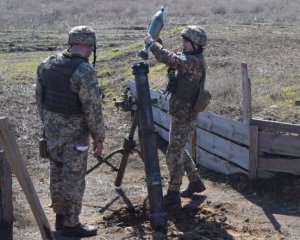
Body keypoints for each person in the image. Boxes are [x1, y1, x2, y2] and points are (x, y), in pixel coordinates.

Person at [35, 25, 104, 237]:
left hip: (52, 134)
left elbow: (39, 100)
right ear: (89, 45)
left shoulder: (47, 64)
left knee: (56, 175)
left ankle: (59, 219)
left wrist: (48, 126)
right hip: (76, 137)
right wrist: (99, 137)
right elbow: (93, 109)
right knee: (73, 179)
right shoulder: (84, 71)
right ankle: (72, 225)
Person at [144, 26, 207, 209]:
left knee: (173, 154)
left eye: (187, 42)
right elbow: (173, 58)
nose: (183, 44)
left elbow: (171, 59)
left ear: (196, 44)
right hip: (181, 113)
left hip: (185, 115)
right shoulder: (190, 59)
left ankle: (173, 193)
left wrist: (152, 44)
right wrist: (158, 42)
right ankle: (195, 181)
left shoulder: (194, 62)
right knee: (177, 149)